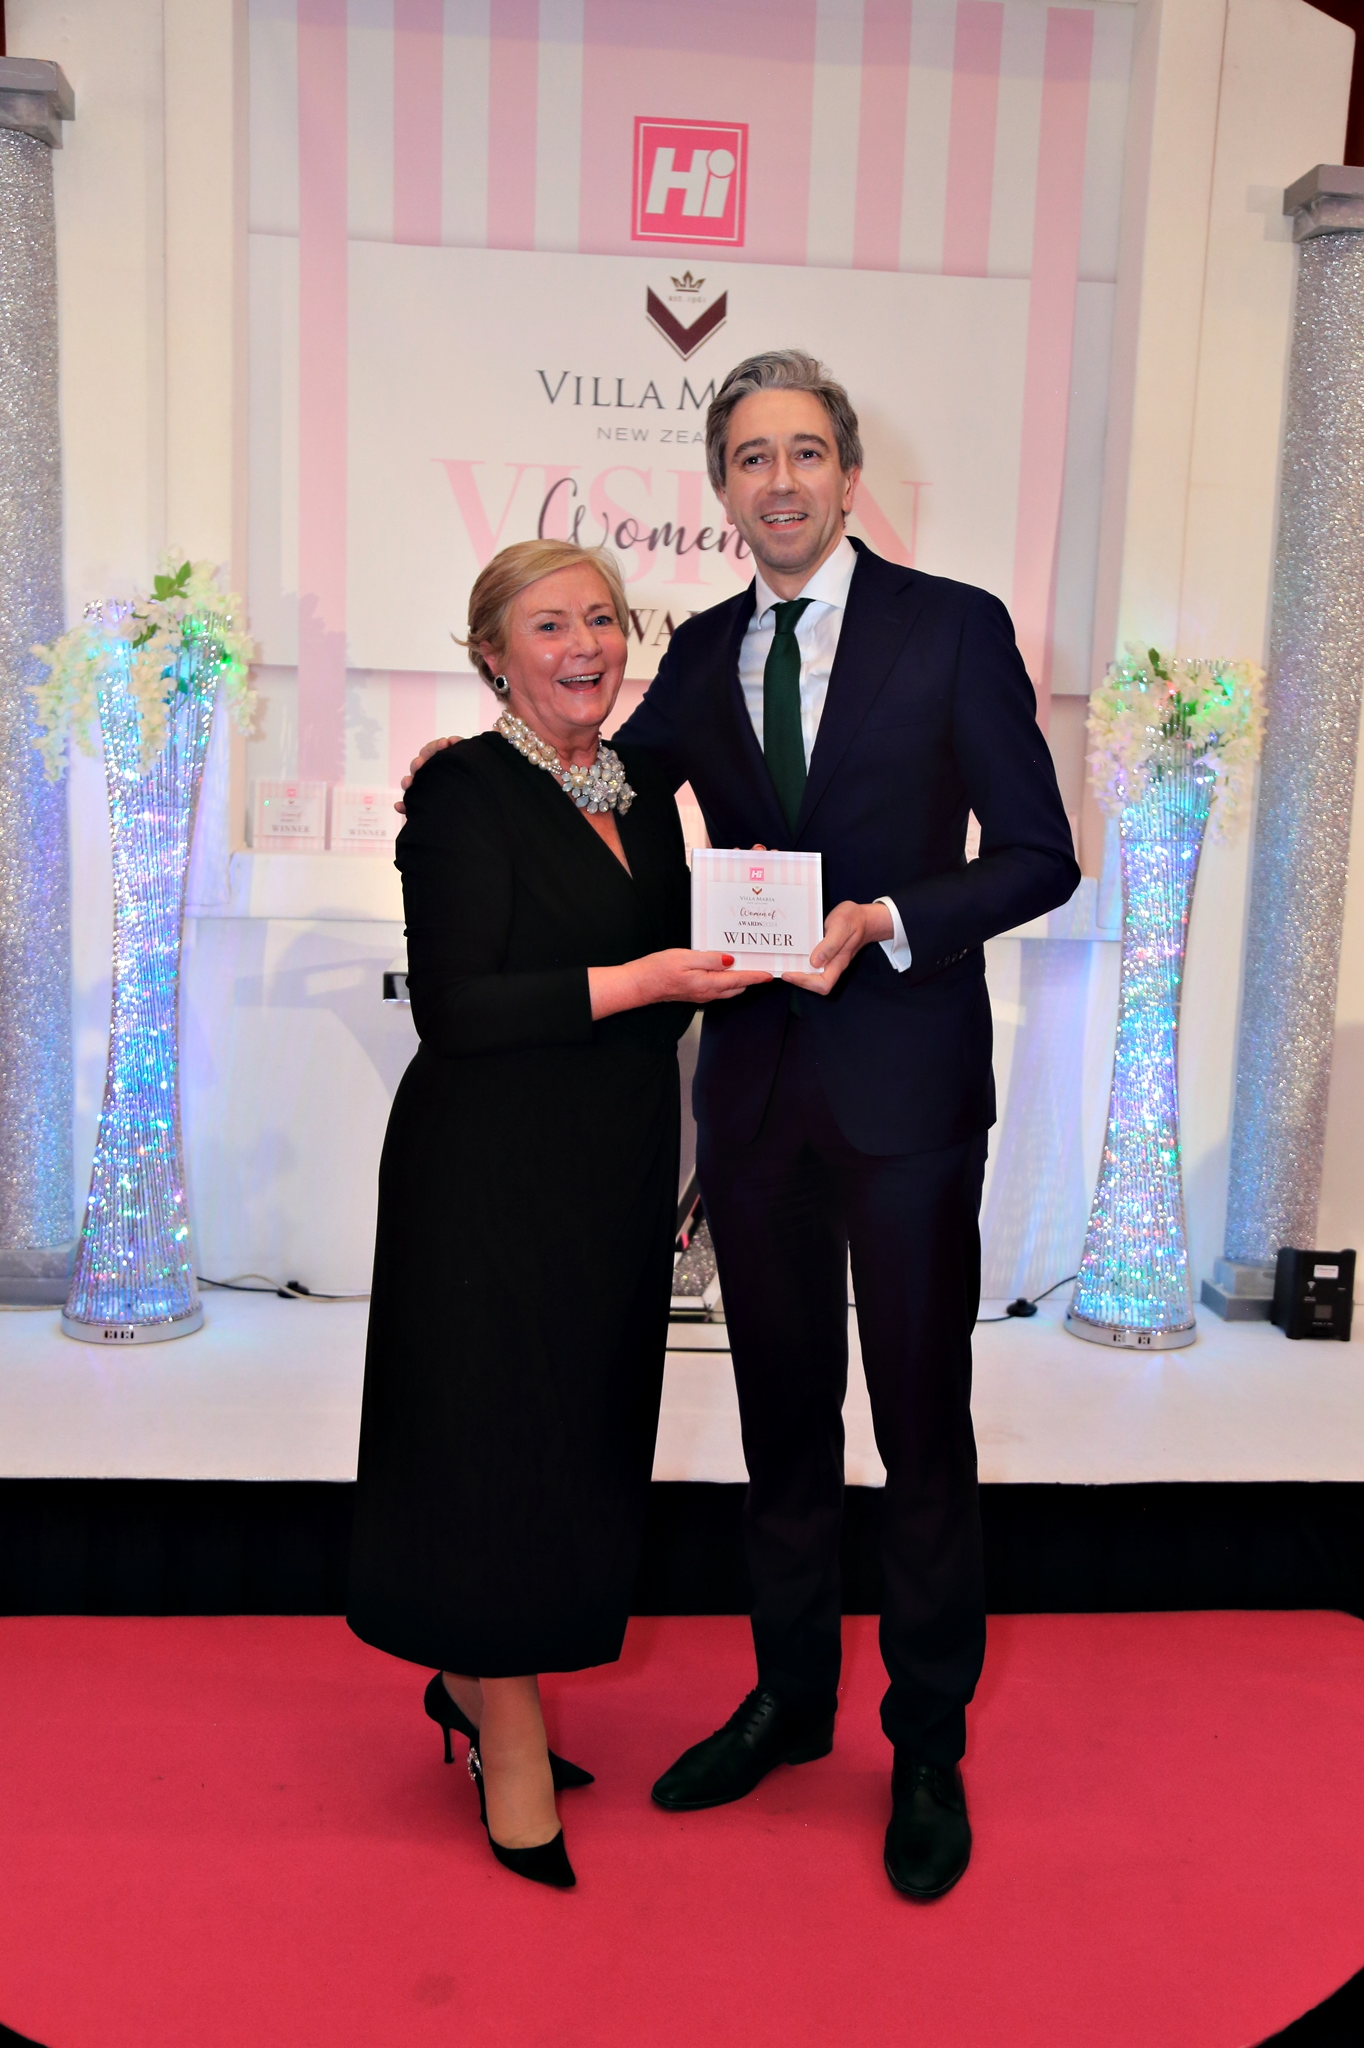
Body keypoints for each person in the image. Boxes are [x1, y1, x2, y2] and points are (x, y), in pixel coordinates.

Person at [404, 351, 1079, 1900]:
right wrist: (474, 761)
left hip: (906, 1091)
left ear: (849, 474)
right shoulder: (702, 651)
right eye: (750, 458)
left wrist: (889, 920)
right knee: (780, 1422)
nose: (778, 481)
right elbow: (600, 769)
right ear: (720, 488)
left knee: (919, 1428)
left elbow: (1038, 854)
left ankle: (924, 1739)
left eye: (804, 452)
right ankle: (789, 1700)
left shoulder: (954, 627)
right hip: (756, 1096)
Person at [347, 539, 768, 1891]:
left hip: (613, 1164)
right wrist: (645, 982)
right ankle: (507, 1722)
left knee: (578, 1430)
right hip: (485, 1174)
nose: (584, 644)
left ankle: (474, 1682)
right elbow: (457, 1010)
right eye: (548, 625)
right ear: (491, 655)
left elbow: (690, 943)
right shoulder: (461, 791)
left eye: (600, 618)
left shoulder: (641, 792)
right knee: (491, 1439)